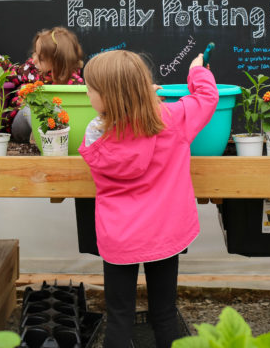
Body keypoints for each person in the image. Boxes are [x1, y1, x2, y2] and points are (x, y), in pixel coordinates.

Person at [78, 50, 218, 348]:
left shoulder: (95, 132)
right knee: (165, 313)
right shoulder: (174, 117)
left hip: (119, 237)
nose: (87, 93)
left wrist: (140, 102)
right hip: (165, 233)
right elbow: (208, 98)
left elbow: (122, 125)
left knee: (119, 316)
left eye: (91, 89)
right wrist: (196, 71)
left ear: (108, 97)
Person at [0, 26, 84, 138]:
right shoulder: (31, 69)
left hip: (58, 127)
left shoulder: (74, 83)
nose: (34, 58)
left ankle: (50, 138)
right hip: (21, 124)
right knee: (31, 107)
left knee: (57, 109)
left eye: (41, 58)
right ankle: (44, 138)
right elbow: (12, 72)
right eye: (35, 52)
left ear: (57, 61)